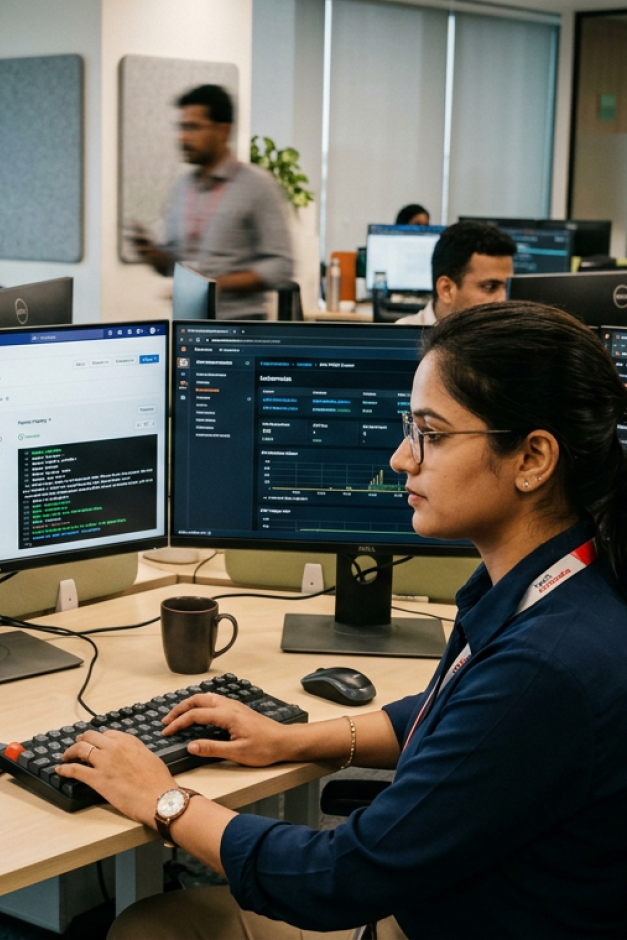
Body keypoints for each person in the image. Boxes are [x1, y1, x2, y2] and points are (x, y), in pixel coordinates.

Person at [57, 302, 627, 940]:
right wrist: (290, 739)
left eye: (430, 435)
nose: (400, 459)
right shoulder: (572, 583)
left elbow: (336, 877)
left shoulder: (547, 667)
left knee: (151, 930)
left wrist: (162, 800)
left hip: (426, 919)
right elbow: (457, 713)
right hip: (465, 900)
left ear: (533, 458)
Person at [130, 84, 293, 320]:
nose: (182, 137)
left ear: (223, 131)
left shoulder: (258, 186)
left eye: (193, 127)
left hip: (241, 330)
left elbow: (281, 267)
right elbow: (174, 263)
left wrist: (214, 285)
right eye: (181, 127)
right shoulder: (182, 188)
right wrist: (153, 255)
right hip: (188, 327)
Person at [395, 220, 515, 326]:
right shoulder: (398, 341)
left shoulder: (513, 340)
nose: (504, 299)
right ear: (446, 289)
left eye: (507, 287)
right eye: (490, 287)